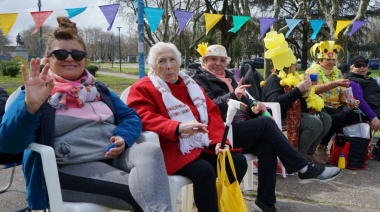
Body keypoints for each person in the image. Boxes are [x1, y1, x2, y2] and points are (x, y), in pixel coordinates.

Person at [0, 17, 171, 212]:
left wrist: (124, 137)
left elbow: (131, 116)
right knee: (147, 192)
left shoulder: (98, 89)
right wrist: (29, 108)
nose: (70, 58)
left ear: (85, 60)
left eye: (77, 54)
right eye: (61, 54)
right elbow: (9, 144)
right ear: (48, 60)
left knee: (149, 150)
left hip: (112, 154)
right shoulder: (35, 93)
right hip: (69, 167)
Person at [186, 42, 341, 212]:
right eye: (213, 59)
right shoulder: (198, 79)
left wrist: (253, 106)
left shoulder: (230, 77)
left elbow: (244, 101)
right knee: (266, 123)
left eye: (222, 60)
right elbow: (208, 109)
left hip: (238, 129)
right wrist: (232, 95)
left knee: (267, 147)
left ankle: (264, 202)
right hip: (220, 133)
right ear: (204, 61)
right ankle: (303, 167)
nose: (218, 63)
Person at [127, 42, 248, 212]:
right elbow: (141, 116)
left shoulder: (191, 85)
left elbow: (211, 113)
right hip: (169, 149)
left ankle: (220, 205)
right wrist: (179, 127)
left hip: (201, 145)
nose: (169, 66)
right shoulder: (143, 87)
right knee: (204, 171)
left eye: (172, 60)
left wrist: (220, 143)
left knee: (237, 162)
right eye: (162, 61)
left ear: (179, 63)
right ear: (153, 66)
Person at [261, 31, 331, 165]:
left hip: (296, 113)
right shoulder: (274, 80)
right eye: (293, 64)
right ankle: (298, 157)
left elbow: (300, 101)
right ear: (286, 66)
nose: (296, 66)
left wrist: (308, 92)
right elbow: (276, 103)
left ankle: (309, 153)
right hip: (279, 115)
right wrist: (298, 90)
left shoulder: (294, 78)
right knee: (314, 124)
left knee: (326, 118)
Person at [305, 40, 359, 163]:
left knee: (350, 113)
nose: (331, 62)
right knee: (338, 116)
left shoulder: (338, 72)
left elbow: (341, 94)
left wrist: (349, 101)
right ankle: (321, 146)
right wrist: (334, 83)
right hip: (319, 104)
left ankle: (344, 147)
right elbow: (314, 90)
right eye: (327, 60)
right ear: (320, 60)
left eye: (333, 60)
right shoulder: (312, 72)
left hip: (335, 104)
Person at [344, 55, 380, 161]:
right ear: (351, 67)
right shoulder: (352, 81)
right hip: (369, 111)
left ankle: (377, 149)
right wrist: (373, 117)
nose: (362, 68)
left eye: (364, 65)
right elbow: (359, 101)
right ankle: (378, 150)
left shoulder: (369, 80)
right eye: (358, 65)